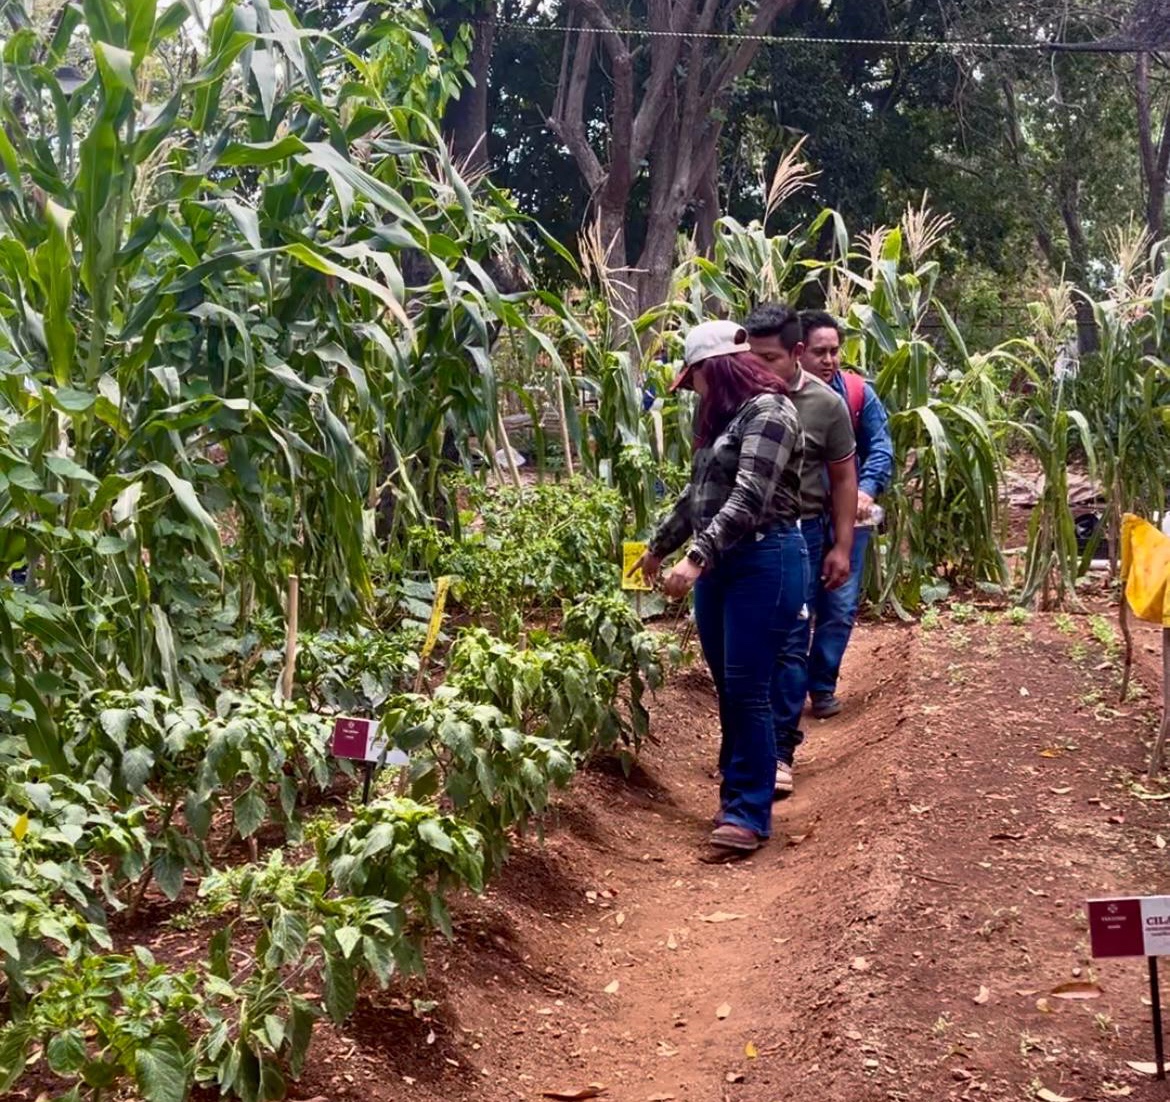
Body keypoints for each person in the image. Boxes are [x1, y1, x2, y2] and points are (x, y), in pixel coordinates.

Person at [635, 320, 807, 853]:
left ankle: (749, 814)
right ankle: (736, 795)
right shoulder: (722, 422)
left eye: (695, 381)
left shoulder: (771, 414)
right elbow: (698, 496)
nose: (693, 393)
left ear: (719, 370)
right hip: (724, 568)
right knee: (731, 687)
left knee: (748, 686)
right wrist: (659, 545)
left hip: (765, 560)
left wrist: (695, 558)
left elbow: (749, 496)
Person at [744, 303, 858, 797]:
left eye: (767, 358)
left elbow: (843, 477)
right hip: (743, 534)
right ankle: (748, 747)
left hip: (803, 534)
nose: (756, 368)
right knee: (750, 644)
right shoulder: (737, 395)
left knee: (792, 641)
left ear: (793, 354)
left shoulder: (826, 406)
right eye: (751, 356)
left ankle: (780, 751)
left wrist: (843, 546)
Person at [798, 310, 894, 718]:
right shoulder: (782, 396)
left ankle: (821, 688)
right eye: (820, 351)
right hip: (799, 521)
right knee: (797, 606)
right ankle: (787, 689)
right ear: (799, 352)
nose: (829, 359)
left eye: (835, 350)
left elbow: (881, 448)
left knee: (838, 606)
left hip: (847, 522)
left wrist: (866, 490)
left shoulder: (857, 394)